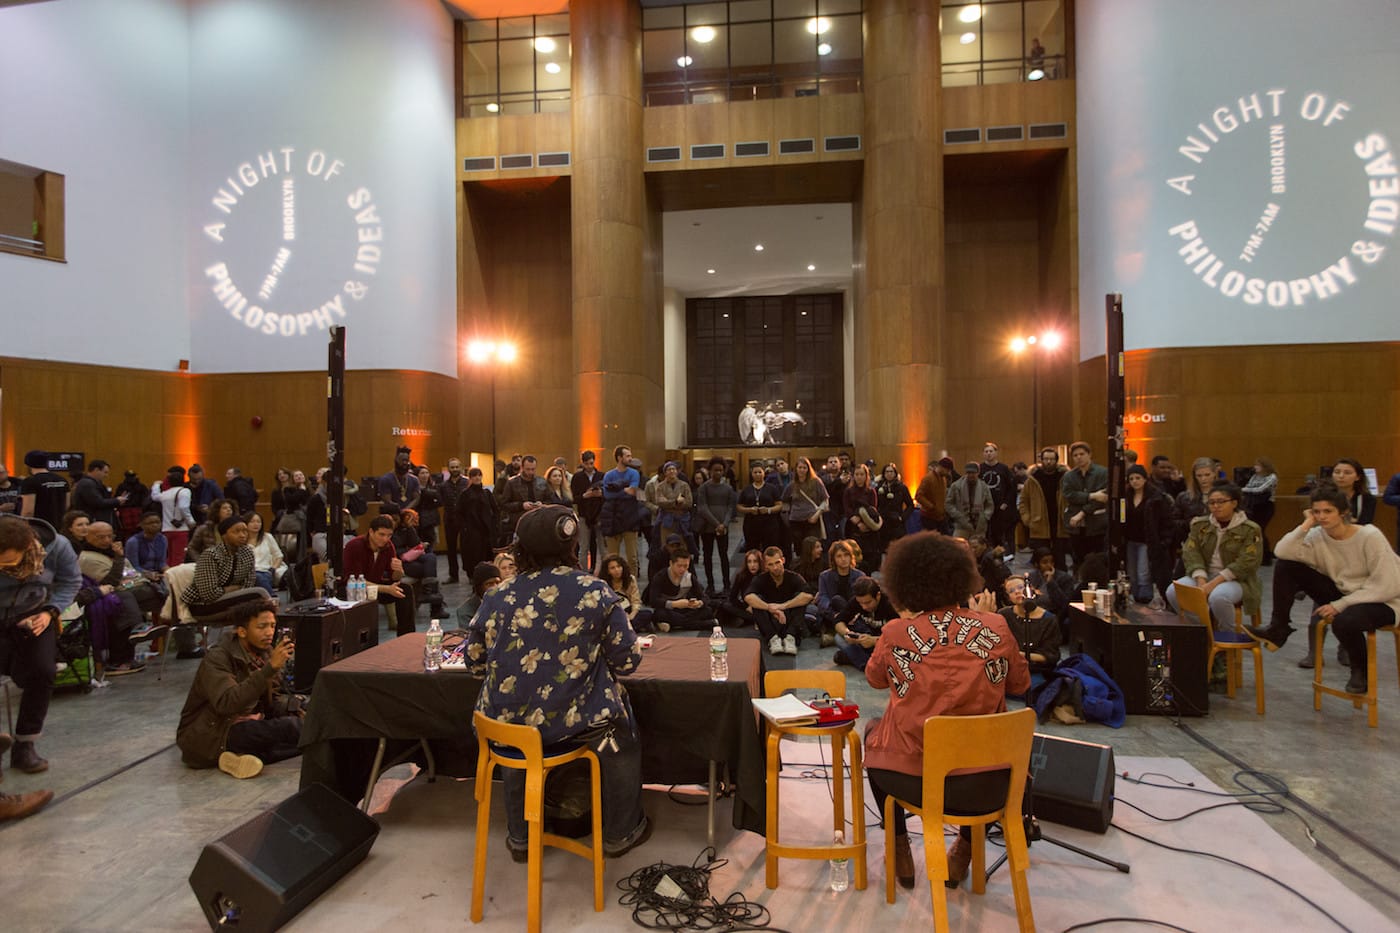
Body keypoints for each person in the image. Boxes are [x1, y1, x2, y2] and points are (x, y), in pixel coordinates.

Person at [467, 505, 652, 862]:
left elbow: (474, 663)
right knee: (620, 733)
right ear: (572, 548)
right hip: (575, 725)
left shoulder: (496, 595)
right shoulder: (594, 591)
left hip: (502, 730)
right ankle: (621, 831)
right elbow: (628, 661)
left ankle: (520, 837)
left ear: (520, 550)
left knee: (519, 742)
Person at [864, 532, 1031, 890]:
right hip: (987, 783)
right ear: (963, 579)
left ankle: (899, 844)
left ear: (905, 583)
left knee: (873, 734)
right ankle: (964, 852)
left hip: (914, 781)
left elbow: (875, 679)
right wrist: (982, 622)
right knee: (994, 745)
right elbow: (1020, 685)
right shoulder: (997, 625)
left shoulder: (897, 631)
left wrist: (906, 625)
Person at [1248, 486, 1400, 693]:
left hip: (1383, 600)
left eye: (1327, 511)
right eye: (1316, 512)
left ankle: (1360, 672)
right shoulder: (1317, 535)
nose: (1321, 516)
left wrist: (1339, 605)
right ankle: (1278, 628)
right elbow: (1281, 551)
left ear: (1343, 512)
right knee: (1286, 565)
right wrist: (1306, 524)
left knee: (1344, 620)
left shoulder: (1369, 535)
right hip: (1346, 593)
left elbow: (1386, 586)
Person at [176, 597, 302, 779]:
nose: (269, 633)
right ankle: (232, 754)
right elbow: (228, 703)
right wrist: (269, 669)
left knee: (302, 734)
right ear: (242, 631)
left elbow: (269, 701)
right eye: (262, 627)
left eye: (273, 626)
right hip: (212, 733)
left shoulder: (264, 652)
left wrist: (296, 707)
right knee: (291, 729)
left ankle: (240, 757)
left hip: (248, 722)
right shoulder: (218, 657)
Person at [0, 515, 82, 780]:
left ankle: (25, 744)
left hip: (36, 614)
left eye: (10, 563)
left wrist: (50, 611)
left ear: (28, 547)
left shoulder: (57, 546)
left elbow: (71, 582)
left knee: (43, 671)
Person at [1166, 482, 1262, 634]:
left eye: (1221, 502)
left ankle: (1226, 638)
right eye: (1212, 502)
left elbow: (1248, 562)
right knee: (1173, 591)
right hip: (1203, 575)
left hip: (1236, 580)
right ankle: (1201, 631)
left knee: (1218, 597)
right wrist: (1201, 578)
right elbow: (1191, 551)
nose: (1216, 506)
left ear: (1234, 503)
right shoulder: (1200, 525)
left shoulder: (1250, 529)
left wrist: (1213, 584)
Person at [185, 516, 266, 628]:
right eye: (236, 531)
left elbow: (248, 584)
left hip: (232, 600)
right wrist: (231, 589)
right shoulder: (211, 555)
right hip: (203, 605)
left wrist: (234, 591)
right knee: (259, 594)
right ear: (224, 535)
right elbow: (208, 594)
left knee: (260, 604)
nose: (243, 535)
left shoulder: (247, 552)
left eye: (245, 531)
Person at [343, 515, 416, 637]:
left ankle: (406, 635)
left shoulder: (388, 546)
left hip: (375, 585)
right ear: (371, 532)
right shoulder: (355, 546)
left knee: (405, 590)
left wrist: (399, 570)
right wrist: (387, 589)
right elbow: (355, 580)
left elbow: (395, 578)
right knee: (378, 592)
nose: (385, 539)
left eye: (389, 535)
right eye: (381, 535)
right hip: (353, 588)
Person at [744, 546, 812, 656]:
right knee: (757, 601)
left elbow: (808, 595)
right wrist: (769, 607)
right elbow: (748, 597)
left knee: (800, 598)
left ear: (783, 560)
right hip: (770, 622)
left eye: (777, 562)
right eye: (770, 564)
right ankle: (773, 639)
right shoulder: (761, 579)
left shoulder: (793, 577)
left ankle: (791, 638)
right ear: (766, 566)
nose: (775, 567)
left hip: (790, 619)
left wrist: (783, 606)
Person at [1123, 465, 1176, 603]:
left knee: (1143, 571)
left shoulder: (1155, 497)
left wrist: (1164, 540)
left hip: (1147, 540)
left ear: (1145, 479)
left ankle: (1145, 597)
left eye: (1138, 478)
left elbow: (1166, 520)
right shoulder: (1125, 497)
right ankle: (1134, 596)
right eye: (1131, 478)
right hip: (1129, 539)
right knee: (1132, 572)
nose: (1135, 481)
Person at [999, 575, 1061, 675]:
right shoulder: (1003, 614)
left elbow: (1051, 656)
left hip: (1038, 670)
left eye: (1020, 587)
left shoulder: (1049, 619)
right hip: (1009, 669)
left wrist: (1019, 655)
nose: (1017, 592)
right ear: (1008, 597)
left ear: (1030, 589)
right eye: (1011, 591)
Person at [832, 576, 896, 670]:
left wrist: (874, 641)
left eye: (868, 602)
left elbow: (900, 636)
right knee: (839, 638)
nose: (864, 607)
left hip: (886, 642)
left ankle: (859, 660)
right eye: (860, 603)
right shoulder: (857, 601)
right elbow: (839, 620)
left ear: (878, 596)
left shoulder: (890, 604)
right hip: (867, 636)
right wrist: (848, 633)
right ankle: (869, 663)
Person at [1062, 441, 1109, 569]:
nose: (1079, 457)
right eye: (1075, 455)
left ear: (1089, 455)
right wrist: (1091, 495)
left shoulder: (1103, 473)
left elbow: (1102, 498)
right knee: (1078, 559)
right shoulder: (1069, 476)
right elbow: (1069, 495)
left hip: (1096, 524)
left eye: (1082, 454)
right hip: (1075, 526)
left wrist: (1082, 512)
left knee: (1097, 559)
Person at [694, 457, 737, 596]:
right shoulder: (704, 487)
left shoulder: (728, 488)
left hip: (723, 527)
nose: (718, 473)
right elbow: (702, 508)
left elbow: (731, 507)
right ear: (710, 471)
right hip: (707, 527)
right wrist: (716, 523)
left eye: (720, 470)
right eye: (715, 470)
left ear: (724, 471)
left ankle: (726, 585)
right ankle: (710, 584)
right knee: (707, 556)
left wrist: (724, 524)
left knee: (724, 556)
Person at [599, 445, 644, 577]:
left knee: (632, 558)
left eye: (630, 455)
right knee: (612, 558)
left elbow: (632, 492)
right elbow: (607, 495)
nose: (630, 458)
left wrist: (617, 490)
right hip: (613, 518)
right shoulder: (609, 475)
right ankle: (613, 587)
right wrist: (624, 490)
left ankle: (632, 585)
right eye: (627, 456)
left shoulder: (634, 473)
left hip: (630, 517)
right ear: (619, 458)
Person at [1020, 447, 1069, 570]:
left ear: (1056, 460)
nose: (1048, 462)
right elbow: (1023, 501)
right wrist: (1027, 519)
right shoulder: (1033, 479)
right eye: (1046, 459)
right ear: (1041, 460)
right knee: (1040, 560)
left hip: (1059, 523)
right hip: (1038, 523)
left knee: (1060, 560)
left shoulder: (1065, 477)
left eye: (1051, 459)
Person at [647, 548, 715, 631]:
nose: (682, 569)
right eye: (679, 566)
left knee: (707, 610)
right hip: (669, 610)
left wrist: (699, 603)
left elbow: (704, 597)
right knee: (659, 614)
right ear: (671, 563)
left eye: (686, 566)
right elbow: (653, 601)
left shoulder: (689, 577)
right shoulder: (660, 577)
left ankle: (674, 625)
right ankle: (703, 624)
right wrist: (674, 604)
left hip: (685, 610)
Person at [456, 467, 499, 577]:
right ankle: (473, 576)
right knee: (473, 555)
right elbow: (459, 513)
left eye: (479, 475)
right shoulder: (465, 494)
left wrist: (494, 525)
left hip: (486, 530)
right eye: (474, 476)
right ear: (470, 478)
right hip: (472, 531)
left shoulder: (487, 493)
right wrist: (465, 528)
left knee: (487, 554)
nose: (477, 478)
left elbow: (495, 510)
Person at [782, 457, 829, 551]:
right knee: (799, 548)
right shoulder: (792, 485)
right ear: (796, 469)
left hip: (812, 520)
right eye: (800, 467)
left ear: (808, 469)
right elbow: (784, 502)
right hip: (796, 521)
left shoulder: (816, 482)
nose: (802, 470)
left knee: (812, 547)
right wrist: (786, 517)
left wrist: (816, 515)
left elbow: (825, 501)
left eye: (804, 468)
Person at [979, 443, 1018, 554]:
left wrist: (1006, 503)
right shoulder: (980, 468)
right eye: (986, 451)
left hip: (1001, 507)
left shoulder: (1003, 468)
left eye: (991, 451)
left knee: (1000, 533)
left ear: (996, 453)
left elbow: (1012, 487)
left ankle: (1004, 553)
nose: (988, 454)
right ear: (983, 454)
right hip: (985, 506)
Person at [598, 553, 651, 633]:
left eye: (619, 566)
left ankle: (625, 628)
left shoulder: (630, 579)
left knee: (648, 614)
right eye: (612, 568)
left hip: (628, 611)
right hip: (612, 613)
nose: (617, 570)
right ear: (607, 571)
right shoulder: (602, 583)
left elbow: (635, 601)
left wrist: (631, 615)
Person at [843, 463, 882, 572]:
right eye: (857, 474)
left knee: (869, 557)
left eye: (861, 474)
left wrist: (866, 523)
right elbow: (847, 508)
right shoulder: (848, 491)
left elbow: (873, 508)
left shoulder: (871, 491)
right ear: (853, 476)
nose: (859, 477)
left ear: (866, 476)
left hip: (868, 527)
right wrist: (857, 522)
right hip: (853, 527)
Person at [571, 451, 605, 573]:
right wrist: (585, 495)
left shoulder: (601, 476)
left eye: (591, 463)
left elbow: (608, 494)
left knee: (602, 548)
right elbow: (574, 498)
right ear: (583, 463)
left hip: (600, 515)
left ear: (594, 461)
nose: (589, 466)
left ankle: (604, 572)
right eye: (586, 464)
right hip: (584, 515)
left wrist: (601, 494)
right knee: (583, 547)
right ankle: (583, 572)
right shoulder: (577, 477)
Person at [738, 463, 782, 556]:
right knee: (752, 551)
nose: (758, 474)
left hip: (769, 524)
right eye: (755, 472)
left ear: (764, 473)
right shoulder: (747, 489)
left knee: (769, 551)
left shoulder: (772, 488)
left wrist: (768, 510)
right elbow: (739, 506)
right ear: (751, 474)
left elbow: (779, 505)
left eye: (760, 472)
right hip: (751, 524)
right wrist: (749, 510)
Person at [439, 458, 472, 583]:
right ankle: (453, 575)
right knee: (451, 549)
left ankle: (470, 574)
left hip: (465, 520)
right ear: (448, 469)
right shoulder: (443, 486)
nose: (455, 469)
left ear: (461, 467)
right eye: (452, 467)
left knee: (466, 548)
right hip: (450, 520)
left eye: (457, 467)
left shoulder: (467, 483)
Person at [153, 465, 194, 564]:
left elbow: (154, 496)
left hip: (166, 529)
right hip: (181, 529)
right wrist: (191, 521)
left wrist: (156, 485)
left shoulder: (165, 494)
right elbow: (183, 507)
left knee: (168, 557)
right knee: (178, 557)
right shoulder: (185, 491)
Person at [1242, 457, 1279, 565]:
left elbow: (1260, 489)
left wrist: (1243, 490)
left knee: (1260, 530)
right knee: (1254, 531)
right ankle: (1255, 555)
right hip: (1254, 506)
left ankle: (1266, 557)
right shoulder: (1255, 476)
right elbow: (1248, 486)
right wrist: (1246, 489)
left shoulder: (1272, 477)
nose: (1255, 467)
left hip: (1265, 506)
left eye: (1257, 465)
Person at [71, 460, 128, 528]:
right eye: (105, 472)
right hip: (93, 520)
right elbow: (98, 502)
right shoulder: (87, 484)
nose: (106, 475)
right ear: (96, 470)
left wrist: (116, 501)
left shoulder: (93, 483)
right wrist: (117, 501)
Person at [1027, 547, 1075, 624]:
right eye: (1045, 562)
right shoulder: (1031, 577)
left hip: (1056, 614)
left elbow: (1064, 603)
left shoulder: (1065, 578)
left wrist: (1051, 583)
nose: (1049, 565)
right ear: (1037, 564)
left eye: (1052, 562)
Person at [946, 462, 992, 539]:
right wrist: (957, 515)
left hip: (979, 527)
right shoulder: (956, 486)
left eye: (973, 472)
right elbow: (948, 504)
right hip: (961, 525)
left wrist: (985, 517)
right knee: (958, 549)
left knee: (978, 550)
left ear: (978, 473)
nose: (971, 475)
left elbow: (990, 505)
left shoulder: (984, 487)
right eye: (969, 472)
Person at [874, 463, 914, 550]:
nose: (889, 474)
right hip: (883, 523)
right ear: (883, 474)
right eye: (887, 472)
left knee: (899, 549)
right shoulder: (878, 488)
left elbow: (910, 505)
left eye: (891, 472)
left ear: (895, 473)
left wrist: (902, 518)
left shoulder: (902, 488)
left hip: (897, 523)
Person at [244, 512, 285, 596]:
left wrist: (273, 569)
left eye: (258, 522)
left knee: (260, 577)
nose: (256, 524)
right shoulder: (242, 540)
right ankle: (272, 597)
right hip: (249, 573)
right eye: (252, 522)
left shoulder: (267, 537)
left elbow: (279, 556)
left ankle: (270, 598)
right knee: (257, 577)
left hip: (267, 571)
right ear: (245, 524)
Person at [1328, 458, 1377, 526]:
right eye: (1337, 472)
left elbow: (1365, 523)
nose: (1341, 476)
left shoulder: (1367, 498)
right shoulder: (1324, 496)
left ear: (1358, 477)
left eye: (1347, 473)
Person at [457, 561, 502, 627]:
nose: (495, 587)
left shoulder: (509, 603)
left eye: (498, 582)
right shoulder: (466, 612)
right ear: (479, 587)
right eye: (489, 584)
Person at [378, 446, 422, 513]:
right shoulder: (386, 479)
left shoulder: (414, 479)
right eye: (402, 460)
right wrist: (399, 510)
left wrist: (406, 510)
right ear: (396, 460)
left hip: (409, 515)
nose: (404, 462)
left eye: (406, 460)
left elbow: (416, 498)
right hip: (392, 515)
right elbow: (387, 501)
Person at [914, 459, 950, 534]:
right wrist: (931, 507)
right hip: (929, 517)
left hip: (940, 516)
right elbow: (918, 496)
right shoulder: (928, 478)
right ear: (941, 467)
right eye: (947, 470)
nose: (948, 473)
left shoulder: (943, 479)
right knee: (932, 541)